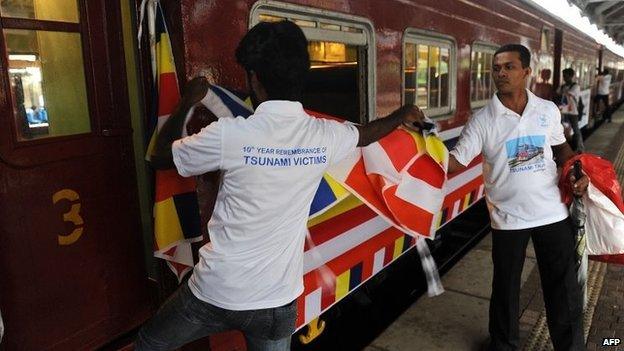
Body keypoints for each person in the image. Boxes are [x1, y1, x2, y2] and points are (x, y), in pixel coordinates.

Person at [136, 20, 425, 351]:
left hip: (215, 292)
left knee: (148, 343)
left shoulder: (231, 134)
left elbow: (160, 157)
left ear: (255, 79)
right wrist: (403, 112)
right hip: (277, 301)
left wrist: (188, 101)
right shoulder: (324, 135)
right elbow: (368, 133)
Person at [447, 44, 589, 351]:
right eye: (496, 68)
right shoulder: (483, 119)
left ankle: (570, 345)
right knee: (506, 289)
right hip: (508, 217)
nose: (500, 73)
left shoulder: (547, 110)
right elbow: (454, 162)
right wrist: (414, 149)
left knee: (563, 288)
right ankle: (504, 345)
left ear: (526, 72)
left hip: (552, 211)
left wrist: (575, 170)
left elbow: (561, 148)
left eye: (508, 67)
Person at [557, 68, 584, 152]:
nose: (564, 78)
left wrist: (561, 93)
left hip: (573, 112)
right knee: (563, 130)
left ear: (571, 76)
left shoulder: (575, 86)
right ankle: (567, 148)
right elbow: (557, 93)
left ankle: (580, 148)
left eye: (566, 76)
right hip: (563, 112)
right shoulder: (563, 86)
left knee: (576, 129)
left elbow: (567, 94)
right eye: (563, 76)